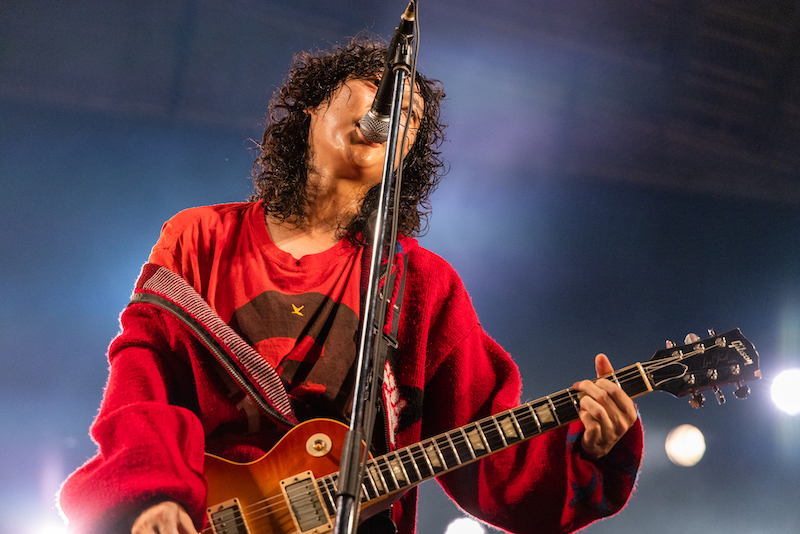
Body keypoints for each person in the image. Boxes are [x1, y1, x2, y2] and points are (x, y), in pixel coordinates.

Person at [58, 37, 642, 534]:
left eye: (408, 115)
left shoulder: (422, 283)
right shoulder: (201, 237)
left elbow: (491, 456)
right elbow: (143, 380)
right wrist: (152, 494)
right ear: (314, 107)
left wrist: (589, 447)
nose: (392, 112)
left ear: (406, 153)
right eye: (377, 91)